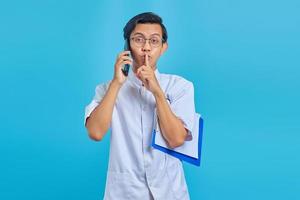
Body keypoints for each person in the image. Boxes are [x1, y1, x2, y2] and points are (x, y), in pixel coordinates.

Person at [84, 12, 196, 200]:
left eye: (154, 41)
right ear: (127, 45)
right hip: (125, 192)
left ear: (163, 47)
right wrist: (117, 83)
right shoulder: (107, 89)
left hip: (170, 192)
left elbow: (177, 139)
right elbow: (95, 133)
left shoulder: (180, 87)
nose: (146, 48)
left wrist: (158, 92)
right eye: (138, 40)